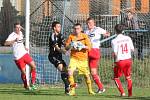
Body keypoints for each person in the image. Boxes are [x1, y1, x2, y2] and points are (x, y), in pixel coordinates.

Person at [4, 23, 37, 90]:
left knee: (33, 66)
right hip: (18, 57)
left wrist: (24, 47)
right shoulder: (12, 35)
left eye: (19, 27)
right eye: (17, 27)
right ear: (14, 28)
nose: (18, 29)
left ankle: (32, 83)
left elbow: (20, 42)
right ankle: (26, 85)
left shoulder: (21, 33)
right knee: (23, 72)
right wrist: (14, 40)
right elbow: (5, 43)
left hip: (24, 54)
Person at [65, 23, 95, 96]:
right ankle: (72, 91)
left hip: (83, 60)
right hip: (74, 59)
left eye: (78, 28)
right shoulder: (71, 36)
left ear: (81, 29)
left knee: (87, 76)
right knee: (69, 72)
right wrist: (71, 45)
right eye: (75, 29)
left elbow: (89, 47)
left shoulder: (85, 36)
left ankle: (90, 90)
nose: (76, 30)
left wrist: (82, 46)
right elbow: (66, 48)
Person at [84, 17, 110, 93]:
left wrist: (106, 34)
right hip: (88, 51)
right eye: (88, 23)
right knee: (93, 72)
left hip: (94, 50)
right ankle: (101, 88)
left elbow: (108, 33)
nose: (89, 24)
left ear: (94, 23)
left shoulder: (97, 29)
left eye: (90, 23)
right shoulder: (86, 31)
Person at [111, 24, 134, 97]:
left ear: (115, 31)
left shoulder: (114, 40)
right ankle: (130, 94)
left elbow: (115, 53)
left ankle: (122, 93)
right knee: (128, 77)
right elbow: (132, 49)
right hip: (128, 60)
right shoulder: (128, 38)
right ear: (123, 30)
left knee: (116, 77)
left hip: (120, 61)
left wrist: (115, 62)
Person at [48, 21, 70, 94]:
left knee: (66, 71)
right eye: (58, 26)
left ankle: (67, 88)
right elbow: (57, 48)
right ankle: (68, 86)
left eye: (60, 26)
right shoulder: (52, 35)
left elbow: (65, 46)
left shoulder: (61, 35)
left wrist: (71, 45)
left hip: (59, 56)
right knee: (62, 69)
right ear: (54, 28)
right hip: (53, 56)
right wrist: (64, 52)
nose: (60, 28)